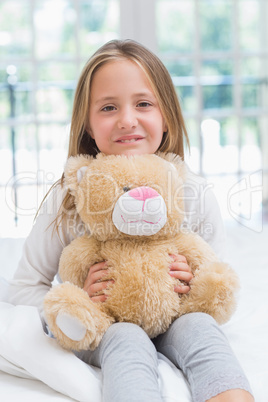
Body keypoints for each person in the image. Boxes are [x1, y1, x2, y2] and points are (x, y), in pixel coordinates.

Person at [7, 39, 254, 402]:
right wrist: (78, 297)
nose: (127, 120)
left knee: (201, 328)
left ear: (166, 115)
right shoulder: (70, 197)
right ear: (89, 126)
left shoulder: (192, 192)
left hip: (173, 319)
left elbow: (217, 281)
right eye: (108, 107)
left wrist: (194, 282)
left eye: (143, 104)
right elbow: (22, 288)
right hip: (107, 321)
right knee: (126, 337)